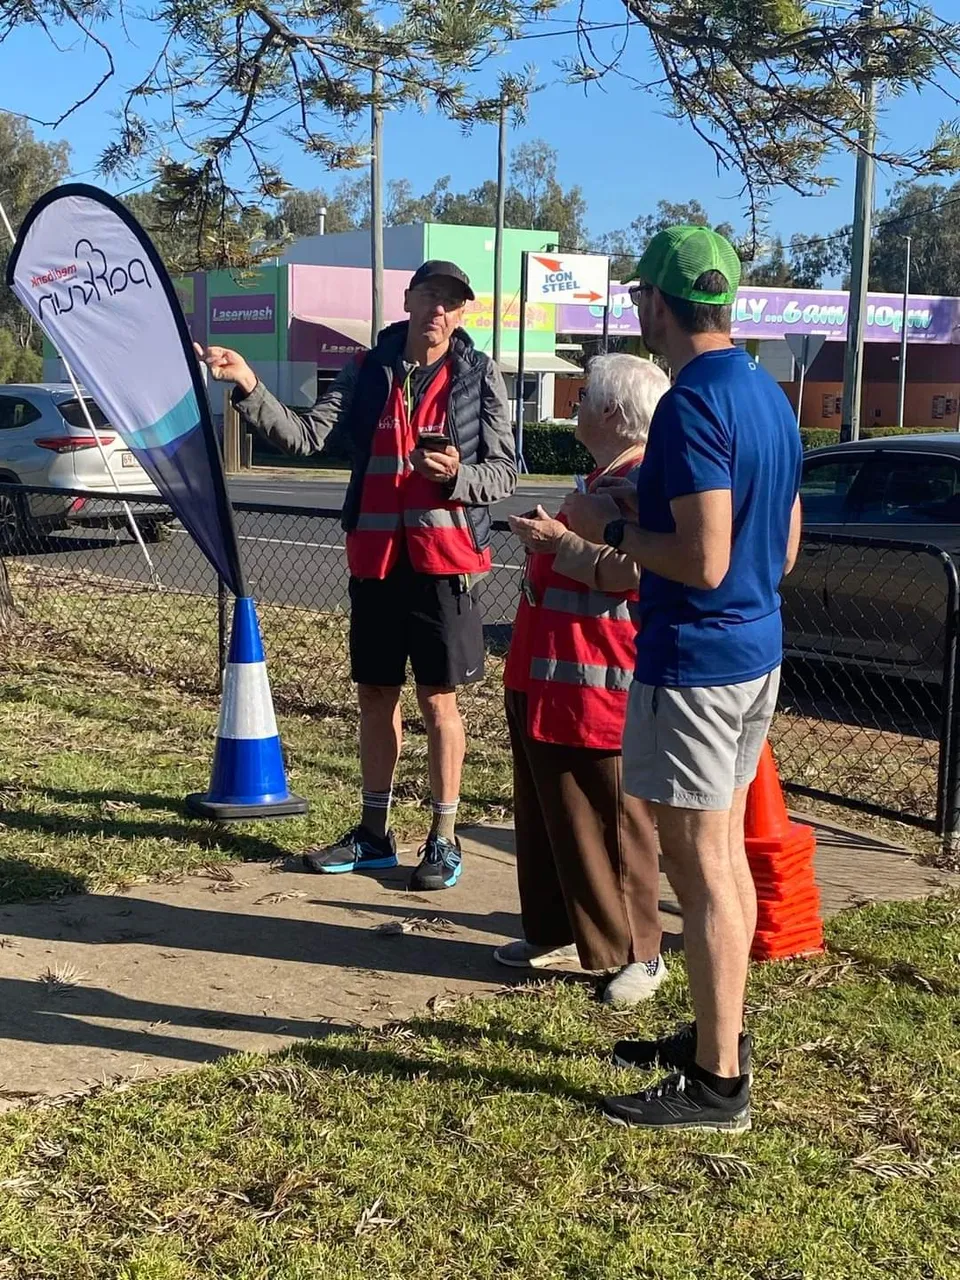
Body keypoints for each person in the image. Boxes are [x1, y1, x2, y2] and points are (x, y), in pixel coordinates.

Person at [562, 226, 802, 1132]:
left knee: (698, 871)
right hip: (753, 650)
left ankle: (717, 1083)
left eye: (637, 298)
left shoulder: (692, 404)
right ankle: (718, 1037)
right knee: (724, 857)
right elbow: (776, 545)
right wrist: (646, 511)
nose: (635, 311)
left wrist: (611, 532)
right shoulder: (765, 396)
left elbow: (700, 559)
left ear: (657, 304)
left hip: (695, 662)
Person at [195, 260, 516, 891]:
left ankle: (443, 837)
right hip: (376, 562)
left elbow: (504, 472)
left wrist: (458, 477)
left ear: (461, 312)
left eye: (452, 302)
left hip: (444, 564)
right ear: (409, 299)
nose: (440, 311)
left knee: (439, 701)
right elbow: (310, 436)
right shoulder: (367, 369)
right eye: (431, 296)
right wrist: (249, 384)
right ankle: (374, 834)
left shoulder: (479, 376)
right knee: (375, 696)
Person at [497, 354, 671, 1008]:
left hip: (599, 681)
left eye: (582, 397)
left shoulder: (645, 478)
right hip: (548, 674)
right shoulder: (606, 473)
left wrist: (553, 543)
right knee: (549, 814)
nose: (573, 408)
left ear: (610, 412)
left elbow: (632, 569)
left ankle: (635, 954)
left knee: (612, 821)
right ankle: (554, 929)